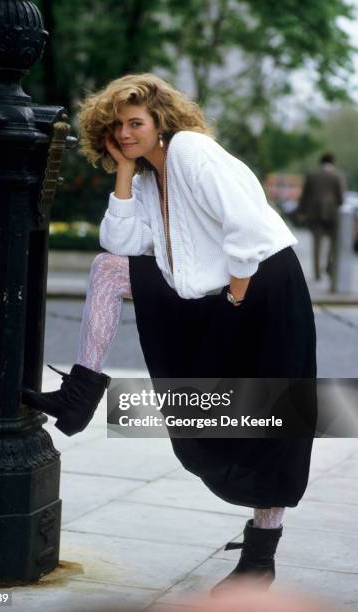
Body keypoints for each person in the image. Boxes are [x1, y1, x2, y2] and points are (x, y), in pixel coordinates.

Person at [22, 73, 317, 594]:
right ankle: (79, 395)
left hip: (262, 288)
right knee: (110, 270)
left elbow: (247, 228)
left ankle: (259, 560)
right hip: (212, 294)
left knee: (268, 426)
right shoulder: (144, 177)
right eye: (117, 127)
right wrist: (124, 171)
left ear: (162, 121)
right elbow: (120, 242)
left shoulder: (190, 152)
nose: (127, 133)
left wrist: (235, 302)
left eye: (136, 123)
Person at [297, 153, 345, 281]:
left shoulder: (312, 175)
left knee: (317, 244)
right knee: (333, 243)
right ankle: (329, 266)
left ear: (320, 162)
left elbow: (305, 196)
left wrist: (301, 212)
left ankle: (317, 273)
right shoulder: (337, 175)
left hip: (314, 214)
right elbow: (341, 198)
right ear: (333, 162)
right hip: (332, 214)